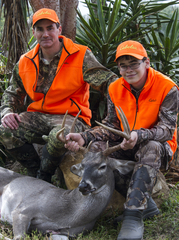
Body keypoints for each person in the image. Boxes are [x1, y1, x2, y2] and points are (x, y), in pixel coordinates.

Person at [65, 40, 178, 240]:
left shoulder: (167, 88)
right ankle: (145, 205)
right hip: (126, 143)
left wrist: (138, 135)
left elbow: (167, 130)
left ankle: (133, 216)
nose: (128, 69)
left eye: (134, 63)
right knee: (98, 147)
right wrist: (84, 137)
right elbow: (112, 126)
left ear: (147, 62)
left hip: (157, 147)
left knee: (151, 146)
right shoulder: (115, 88)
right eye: (123, 65)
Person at [0, 8, 118, 183]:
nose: (45, 34)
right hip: (38, 116)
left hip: (72, 117)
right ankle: (35, 171)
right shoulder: (25, 61)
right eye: (40, 29)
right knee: (4, 130)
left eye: (50, 28)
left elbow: (110, 83)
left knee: (59, 135)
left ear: (59, 29)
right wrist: (7, 111)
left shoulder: (80, 54)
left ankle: (44, 176)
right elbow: (12, 92)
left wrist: (116, 115)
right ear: (34, 32)